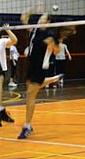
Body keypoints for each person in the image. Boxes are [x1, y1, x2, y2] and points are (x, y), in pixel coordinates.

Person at [18, 8, 76, 139]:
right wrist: (32, 9)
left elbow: (56, 51)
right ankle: (53, 79)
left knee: (30, 95)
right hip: (31, 65)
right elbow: (23, 19)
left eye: (43, 18)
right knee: (30, 87)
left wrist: (52, 44)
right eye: (40, 18)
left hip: (40, 67)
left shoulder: (51, 35)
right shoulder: (35, 30)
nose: (40, 19)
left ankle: (27, 126)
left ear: (48, 22)